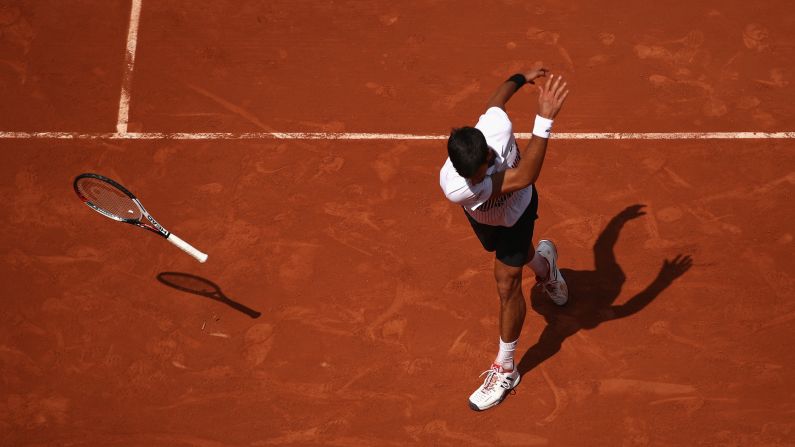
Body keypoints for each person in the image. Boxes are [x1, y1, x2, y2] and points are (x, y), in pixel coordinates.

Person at [439, 62, 570, 411]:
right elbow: (520, 171)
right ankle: (545, 267)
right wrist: (540, 115)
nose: (473, 182)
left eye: (478, 174)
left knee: (506, 281)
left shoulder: (495, 127)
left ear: (486, 152)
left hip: (517, 210)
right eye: (469, 178)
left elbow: (497, 101)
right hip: (484, 220)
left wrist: (520, 80)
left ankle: (506, 367)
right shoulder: (457, 187)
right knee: (517, 259)